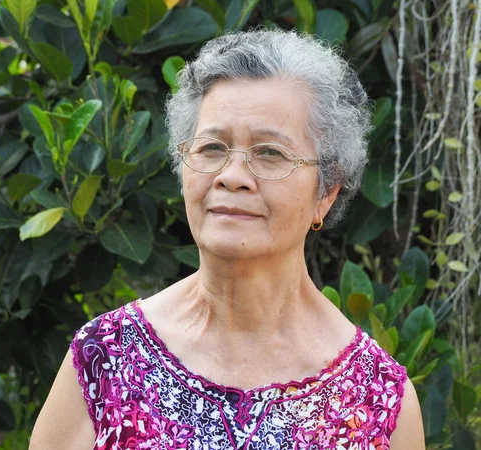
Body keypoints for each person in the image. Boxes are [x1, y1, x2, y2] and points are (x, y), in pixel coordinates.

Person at [30, 29, 425, 449]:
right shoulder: (105, 357)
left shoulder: (379, 402)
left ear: (326, 192)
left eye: (271, 153)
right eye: (212, 148)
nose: (231, 176)